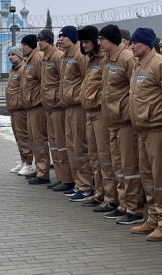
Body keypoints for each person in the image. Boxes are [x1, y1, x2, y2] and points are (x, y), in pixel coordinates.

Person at [128, 28, 162, 241]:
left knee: (160, 178)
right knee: (147, 177)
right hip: (142, 129)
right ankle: (153, 217)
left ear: (147, 45)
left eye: (136, 43)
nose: (132, 46)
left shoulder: (159, 64)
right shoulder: (138, 64)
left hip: (157, 129)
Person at [98, 24, 143, 225]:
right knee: (118, 165)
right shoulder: (108, 59)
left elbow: (135, 89)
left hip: (124, 121)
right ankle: (123, 204)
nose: (100, 43)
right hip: (112, 120)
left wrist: (126, 110)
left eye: (103, 40)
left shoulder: (126, 58)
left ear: (113, 40)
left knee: (128, 166)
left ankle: (133, 209)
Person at [79, 26, 114, 210]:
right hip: (89, 111)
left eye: (87, 41)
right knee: (93, 154)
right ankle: (99, 193)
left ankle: (110, 196)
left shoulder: (104, 59)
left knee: (104, 156)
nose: (84, 45)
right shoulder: (90, 60)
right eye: (82, 42)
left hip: (100, 112)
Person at [57, 26, 91, 200]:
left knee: (79, 146)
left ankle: (85, 185)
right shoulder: (66, 56)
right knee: (72, 146)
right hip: (68, 106)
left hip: (78, 106)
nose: (61, 39)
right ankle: (78, 183)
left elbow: (87, 79)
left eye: (64, 36)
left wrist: (78, 97)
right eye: (60, 36)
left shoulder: (80, 55)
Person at [38, 29, 70, 191]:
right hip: (48, 105)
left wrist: (57, 97)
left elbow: (63, 79)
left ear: (48, 41)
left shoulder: (57, 56)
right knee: (54, 143)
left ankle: (66, 177)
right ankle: (60, 176)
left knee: (61, 143)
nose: (39, 43)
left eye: (41, 40)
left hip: (57, 106)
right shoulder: (44, 57)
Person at [20, 34, 50, 184]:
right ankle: (38, 169)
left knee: (39, 139)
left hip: (37, 105)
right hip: (30, 105)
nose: (22, 47)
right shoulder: (29, 59)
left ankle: (43, 172)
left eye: (25, 44)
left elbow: (42, 81)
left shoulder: (37, 58)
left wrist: (38, 99)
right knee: (33, 139)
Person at [6, 46, 33, 175]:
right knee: (18, 136)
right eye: (9, 55)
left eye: (13, 54)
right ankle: (23, 160)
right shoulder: (13, 69)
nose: (10, 57)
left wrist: (21, 103)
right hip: (13, 107)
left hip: (20, 108)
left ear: (20, 56)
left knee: (23, 135)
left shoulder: (23, 69)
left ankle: (29, 163)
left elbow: (25, 88)